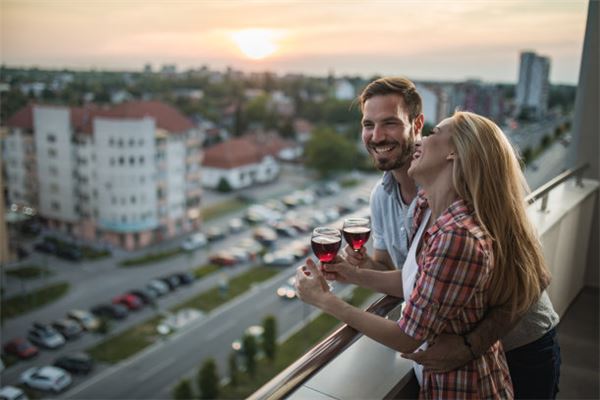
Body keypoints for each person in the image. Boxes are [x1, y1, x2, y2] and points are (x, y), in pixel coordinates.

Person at [299, 77, 560, 398]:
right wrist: (356, 271)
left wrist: (470, 345)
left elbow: (535, 277)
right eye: (368, 124)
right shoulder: (397, 199)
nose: (377, 136)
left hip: (521, 344)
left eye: (390, 123)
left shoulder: (470, 197)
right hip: (444, 361)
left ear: (418, 123)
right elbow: (416, 278)